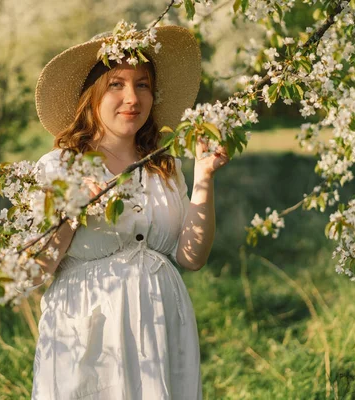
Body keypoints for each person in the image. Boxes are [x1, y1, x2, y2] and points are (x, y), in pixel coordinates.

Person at [31, 25, 228, 399]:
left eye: (142, 85)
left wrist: (204, 177)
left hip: (162, 327)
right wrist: (71, 212)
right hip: (89, 334)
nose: (132, 97)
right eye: (116, 84)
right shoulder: (59, 167)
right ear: (93, 95)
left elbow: (191, 257)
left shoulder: (164, 166)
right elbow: (37, 269)